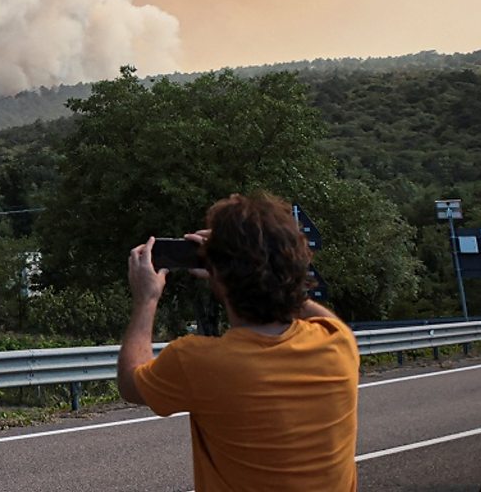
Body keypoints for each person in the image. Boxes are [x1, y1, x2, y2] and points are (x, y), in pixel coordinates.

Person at [116, 193, 358, 491]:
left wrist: (146, 299)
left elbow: (130, 382)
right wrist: (265, 269)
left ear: (217, 276)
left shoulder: (198, 362)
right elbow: (312, 310)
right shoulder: (338, 343)